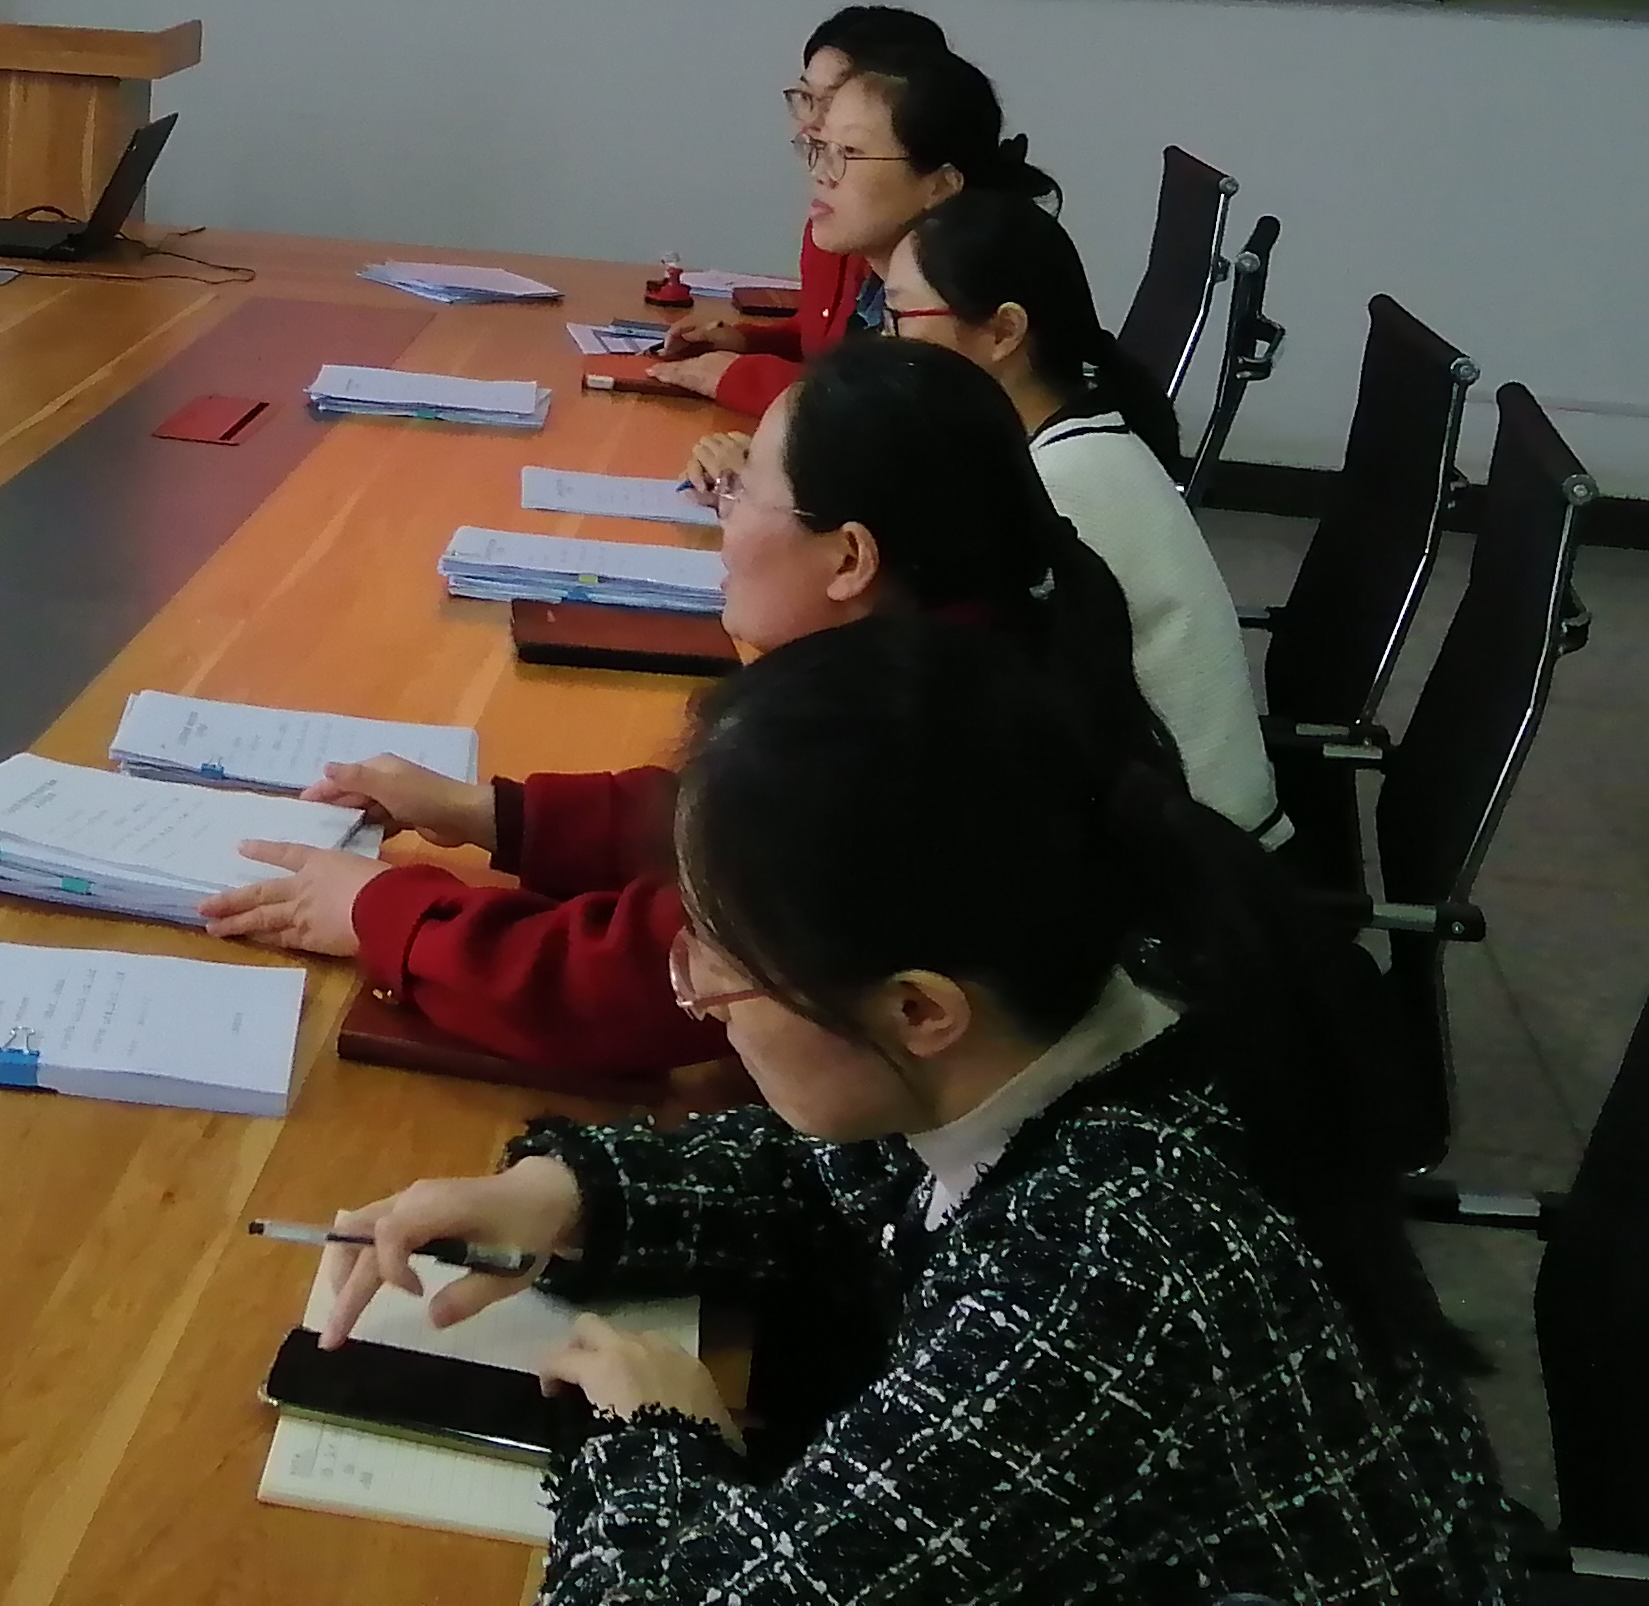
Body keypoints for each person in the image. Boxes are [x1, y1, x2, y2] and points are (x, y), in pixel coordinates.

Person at [316, 619, 1509, 1606]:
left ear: (917, 1009)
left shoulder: (1097, 1278)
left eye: (718, 965)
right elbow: (839, 1172)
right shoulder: (1081, 993)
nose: (691, 996)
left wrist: (648, 1427)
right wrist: (564, 1192)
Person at [201, 341, 1174, 1078]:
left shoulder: (896, 745)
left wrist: (376, 910)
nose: (721, 515)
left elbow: (625, 989)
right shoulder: (961, 653)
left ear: (850, 558)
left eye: (744, 490)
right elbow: (727, 824)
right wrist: (495, 815)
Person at [887, 191, 1277, 840]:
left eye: (899, 315)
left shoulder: (1064, 484)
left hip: (1186, 860)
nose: (886, 340)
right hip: (1157, 818)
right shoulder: (1069, 438)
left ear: (1003, 331)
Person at [652, 47, 1052, 423]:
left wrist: (743, 377)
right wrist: (745, 343)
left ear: (940, 185)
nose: (820, 173)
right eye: (821, 148)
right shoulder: (876, 286)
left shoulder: (952, 311)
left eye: (850, 153)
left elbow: (892, 422)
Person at [642, 4, 945, 388]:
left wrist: (745, 378)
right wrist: (747, 342)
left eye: (835, 104)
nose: (811, 127)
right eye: (806, 97)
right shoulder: (848, 223)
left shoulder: (945, 277)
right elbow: (824, 342)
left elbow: (881, 406)